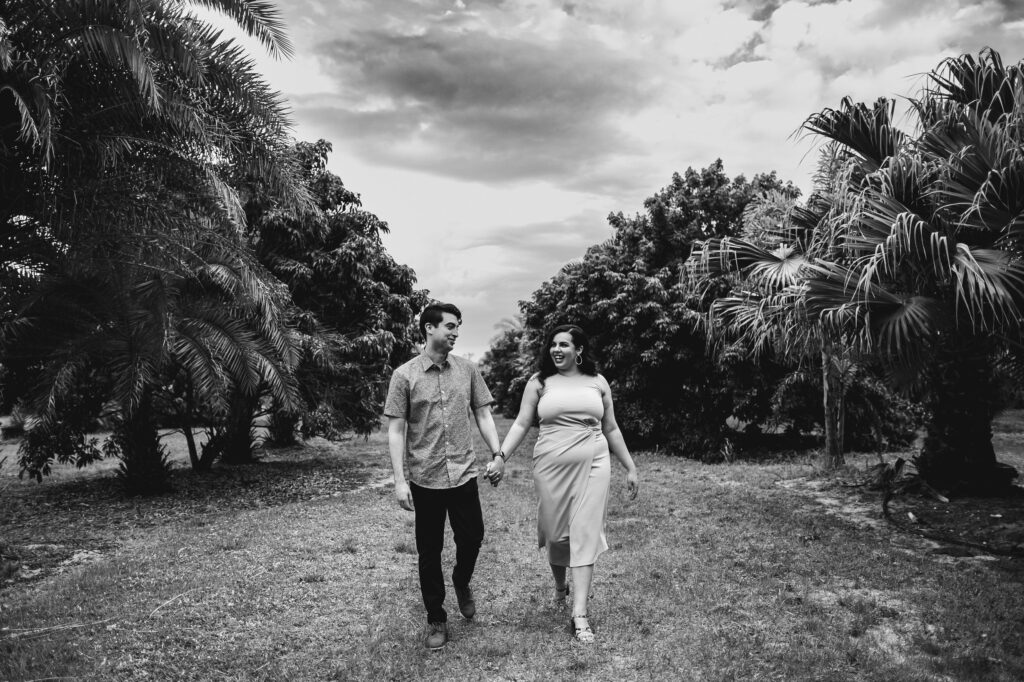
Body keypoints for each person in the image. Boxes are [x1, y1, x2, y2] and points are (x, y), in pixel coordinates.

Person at [487, 324, 639, 643]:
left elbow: (611, 428)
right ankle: (560, 586)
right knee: (557, 536)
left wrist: (629, 466)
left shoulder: (597, 383)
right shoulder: (539, 382)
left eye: (564, 345)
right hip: (550, 465)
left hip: (594, 463)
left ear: (579, 350)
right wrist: (501, 455)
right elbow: (521, 423)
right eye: (553, 344)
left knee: (584, 533)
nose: (556, 349)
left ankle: (579, 614)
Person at [384, 302, 503, 651]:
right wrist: (399, 480)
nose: (455, 332)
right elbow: (396, 430)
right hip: (425, 476)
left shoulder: (467, 370)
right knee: (429, 550)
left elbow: (483, 414)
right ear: (429, 328)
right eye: (450, 326)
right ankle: (436, 617)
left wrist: (497, 454)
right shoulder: (404, 375)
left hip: (464, 473)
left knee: (473, 537)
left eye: (458, 327)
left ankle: (462, 580)